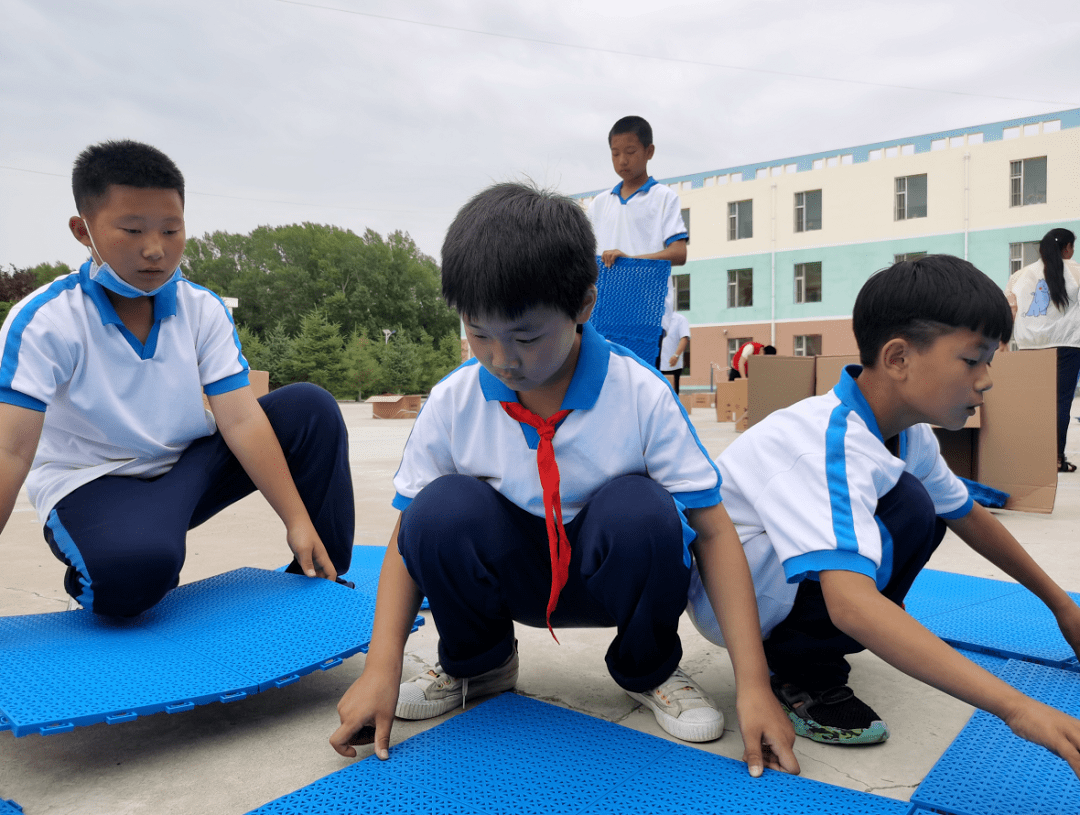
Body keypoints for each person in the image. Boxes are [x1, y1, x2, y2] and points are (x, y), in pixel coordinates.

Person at [331, 183, 798, 778]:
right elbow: (405, 541)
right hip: (514, 575)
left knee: (646, 511)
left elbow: (714, 532)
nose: (502, 358)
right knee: (436, 510)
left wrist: (752, 685)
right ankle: (480, 662)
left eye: (526, 336)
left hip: (607, 576)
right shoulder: (455, 400)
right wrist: (380, 668)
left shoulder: (639, 394)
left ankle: (648, 668)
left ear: (583, 305)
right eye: (478, 333)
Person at [686, 255, 1080, 776]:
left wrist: (1060, 607)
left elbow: (970, 517)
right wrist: (1019, 708)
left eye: (991, 361)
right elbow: (851, 606)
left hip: (777, 585)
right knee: (910, 506)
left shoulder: (904, 429)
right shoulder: (826, 443)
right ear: (898, 358)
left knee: (923, 503)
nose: (985, 380)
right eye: (972, 360)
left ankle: (807, 648)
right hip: (738, 605)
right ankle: (797, 668)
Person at [0, 140, 354, 618]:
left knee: (310, 409)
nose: (155, 250)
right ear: (83, 231)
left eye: (172, 229)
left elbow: (243, 421)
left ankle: (317, 577)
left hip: (190, 469)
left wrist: (296, 519)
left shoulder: (200, 308)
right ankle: (104, 567)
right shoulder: (46, 321)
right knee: (133, 579)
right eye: (132, 230)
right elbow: (10, 451)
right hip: (93, 484)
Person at [587, 116, 688, 366]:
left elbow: (679, 252)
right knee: (602, 379)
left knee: (640, 381)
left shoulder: (664, 198)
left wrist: (630, 261)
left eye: (630, 152)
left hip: (646, 311)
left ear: (649, 151)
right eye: (615, 153)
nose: (623, 160)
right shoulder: (599, 203)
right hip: (603, 309)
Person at [1004, 227, 1080, 472]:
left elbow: (1010, 311)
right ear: (1067, 248)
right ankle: (1056, 458)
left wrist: (1003, 344)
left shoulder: (1019, 276)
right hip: (1067, 346)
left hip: (1030, 346)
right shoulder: (1076, 271)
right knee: (1061, 403)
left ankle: (1031, 457)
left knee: (1033, 403)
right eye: (1073, 247)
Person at [660, 310, 690, 393]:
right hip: (656, 365)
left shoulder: (680, 319)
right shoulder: (656, 319)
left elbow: (684, 338)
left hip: (672, 365)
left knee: (671, 394)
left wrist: (676, 355)